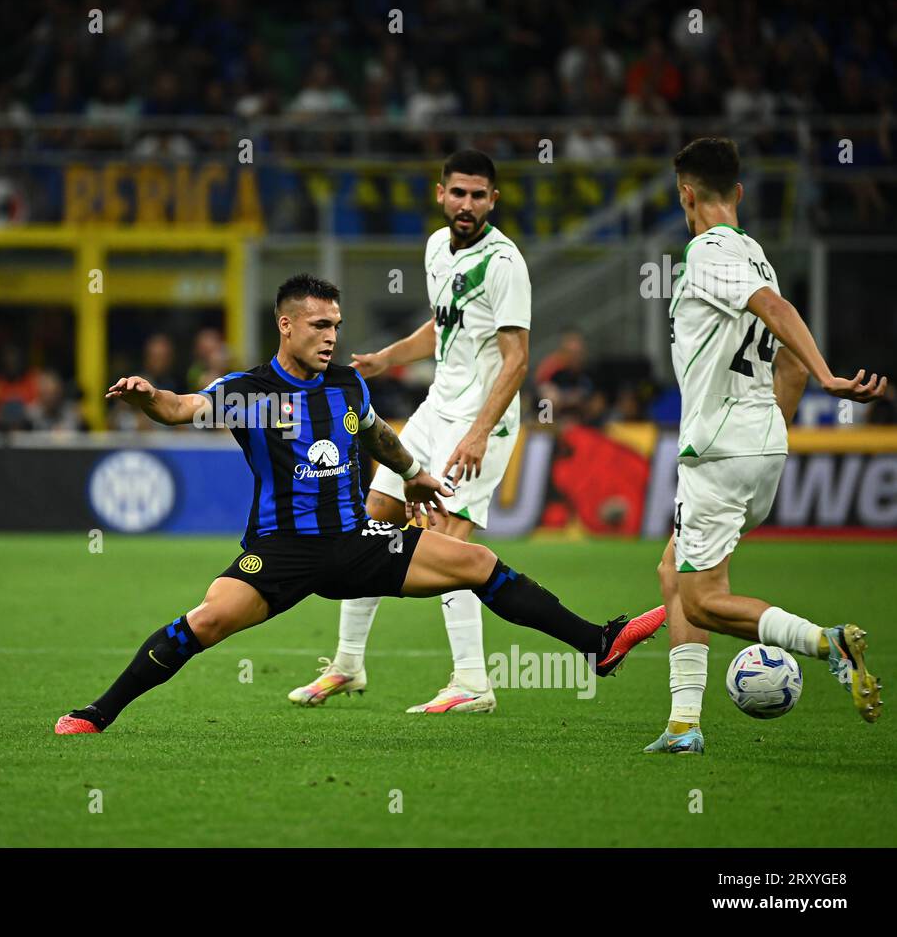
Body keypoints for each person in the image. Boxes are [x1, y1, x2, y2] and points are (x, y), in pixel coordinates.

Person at [54, 274, 666, 735]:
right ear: (286, 326)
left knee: (477, 565)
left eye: (337, 326)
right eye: (319, 325)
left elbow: (373, 432)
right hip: (279, 553)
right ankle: (99, 713)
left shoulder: (348, 384)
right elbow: (181, 406)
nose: (331, 337)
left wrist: (412, 473)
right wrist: (145, 397)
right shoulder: (250, 393)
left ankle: (596, 644)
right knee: (204, 623)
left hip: (355, 542)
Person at [288, 150, 589, 715]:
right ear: (440, 194)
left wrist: (477, 433)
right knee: (373, 521)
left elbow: (517, 358)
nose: (467, 204)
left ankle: (473, 680)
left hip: (483, 420)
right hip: (435, 408)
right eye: (458, 193)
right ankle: (348, 664)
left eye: (478, 195)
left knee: (448, 543)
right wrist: (387, 359)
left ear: (493, 200)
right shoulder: (435, 248)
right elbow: (442, 326)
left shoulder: (504, 264)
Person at [646, 137, 887, 755]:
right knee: (675, 571)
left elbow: (778, 314)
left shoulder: (706, 253)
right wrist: (769, 432)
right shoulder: (756, 252)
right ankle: (682, 725)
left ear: (686, 195)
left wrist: (829, 373)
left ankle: (824, 642)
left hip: (718, 448)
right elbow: (789, 366)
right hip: (758, 444)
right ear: (742, 194)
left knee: (700, 600)